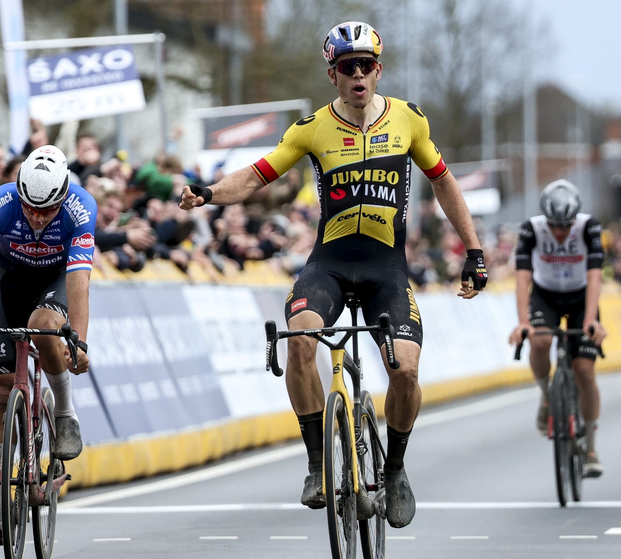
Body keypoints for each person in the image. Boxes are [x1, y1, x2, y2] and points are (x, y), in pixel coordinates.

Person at [179, 21, 488, 528]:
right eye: (349, 68)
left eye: (367, 66)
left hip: (386, 269)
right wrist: (208, 194)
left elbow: (446, 185)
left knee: (405, 371)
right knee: (299, 340)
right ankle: (318, 461)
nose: (359, 75)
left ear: (378, 70)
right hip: (330, 265)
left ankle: (394, 469)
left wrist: (474, 251)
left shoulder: (409, 121)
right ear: (334, 75)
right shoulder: (311, 129)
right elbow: (256, 175)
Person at [0, 145, 97, 545]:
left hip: (55, 280)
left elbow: (79, 282)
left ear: (62, 197)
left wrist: (78, 339)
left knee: (44, 326)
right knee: (1, 394)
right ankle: (1, 503)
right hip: (9, 282)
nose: (37, 217)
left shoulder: (81, 209)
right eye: (30, 208)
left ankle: (64, 411)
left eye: (47, 211)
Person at [509, 179, 606, 477]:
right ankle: (547, 395)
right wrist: (523, 323)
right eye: (555, 226)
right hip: (546, 295)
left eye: (566, 226)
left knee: (584, 371)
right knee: (539, 341)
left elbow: (595, 277)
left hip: (580, 298)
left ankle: (590, 446)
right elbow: (523, 278)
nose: (561, 233)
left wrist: (591, 320)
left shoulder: (590, 227)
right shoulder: (531, 228)